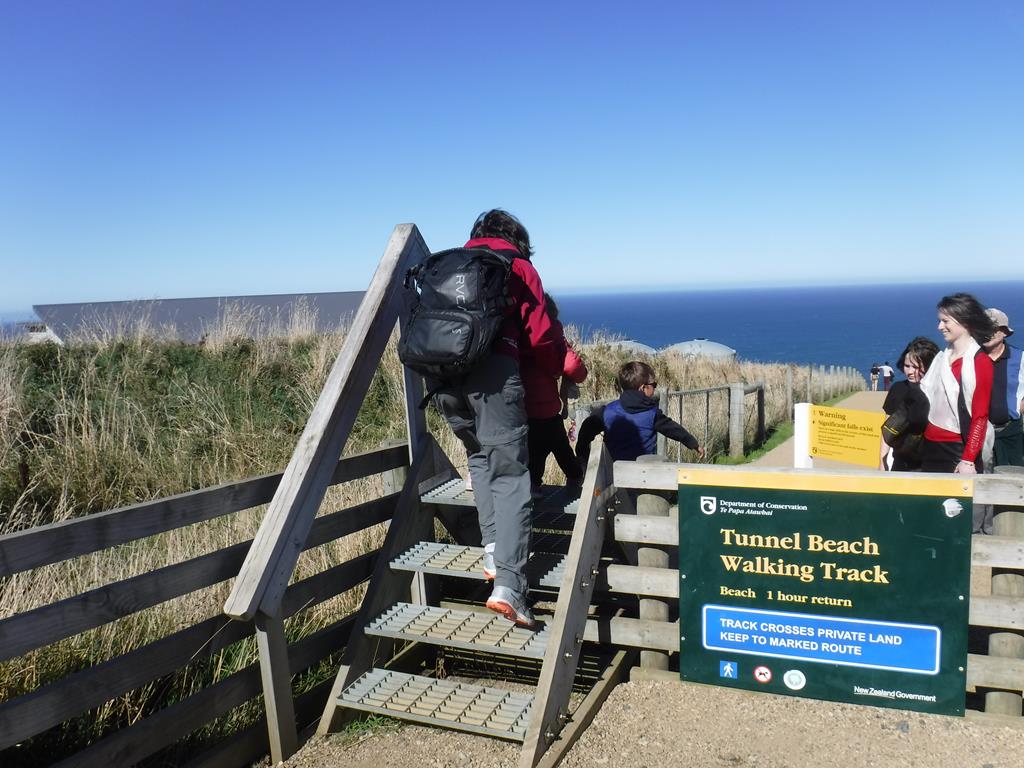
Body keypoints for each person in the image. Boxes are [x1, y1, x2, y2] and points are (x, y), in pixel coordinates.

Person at [431, 209, 564, 628]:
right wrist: (560, 368)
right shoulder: (519, 267)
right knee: (510, 474)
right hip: (494, 379)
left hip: (443, 378)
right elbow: (542, 336)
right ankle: (509, 586)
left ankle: (492, 548)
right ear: (518, 239)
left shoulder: (447, 265)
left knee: (479, 458)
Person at [919, 293, 997, 475]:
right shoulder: (942, 357)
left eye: (945, 321)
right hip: (930, 443)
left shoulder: (980, 361)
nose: (940, 327)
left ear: (965, 321)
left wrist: (968, 460)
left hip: (957, 448)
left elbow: (980, 416)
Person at [575, 361, 705, 464]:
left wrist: (583, 454)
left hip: (612, 474)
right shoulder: (652, 414)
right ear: (643, 388)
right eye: (653, 385)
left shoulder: (607, 411)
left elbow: (587, 428)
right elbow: (673, 429)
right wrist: (693, 444)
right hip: (643, 475)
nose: (655, 388)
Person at [523, 293, 588, 494]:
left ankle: (532, 487)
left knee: (533, 453)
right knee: (561, 449)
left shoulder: (513, 329)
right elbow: (574, 368)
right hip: (547, 409)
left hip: (519, 408)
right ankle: (575, 479)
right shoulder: (550, 331)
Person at [880, 337, 939, 471]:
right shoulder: (897, 389)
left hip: (932, 462)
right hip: (901, 461)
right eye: (907, 366)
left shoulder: (939, 391)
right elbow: (888, 429)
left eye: (916, 367)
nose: (910, 371)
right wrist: (882, 461)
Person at [983, 308, 1024, 468]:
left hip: (1011, 433)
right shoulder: (972, 358)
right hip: (979, 432)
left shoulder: (1020, 358)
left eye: (992, 328)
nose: (987, 332)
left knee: (1014, 480)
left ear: (1004, 332)